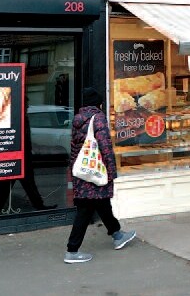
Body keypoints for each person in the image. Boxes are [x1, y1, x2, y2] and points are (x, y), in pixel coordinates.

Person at [64, 87, 136, 264]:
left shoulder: (78, 119)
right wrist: (112, 172)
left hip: (83, 169)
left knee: (102, 203)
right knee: (85, 210)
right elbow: (105, 147)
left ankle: (117, 234)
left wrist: (75, 170)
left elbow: (74, 147)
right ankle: (72, 251)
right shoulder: (99, 118)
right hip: (97, 169)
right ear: (99, 103)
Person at [0, 97, 57, 215]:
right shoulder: (14, 119)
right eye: (26, 104)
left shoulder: (21, 118)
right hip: (15, 157)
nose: (27, 107)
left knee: (26, 184)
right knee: (10, 185)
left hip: (22, 157)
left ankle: (39, 206)